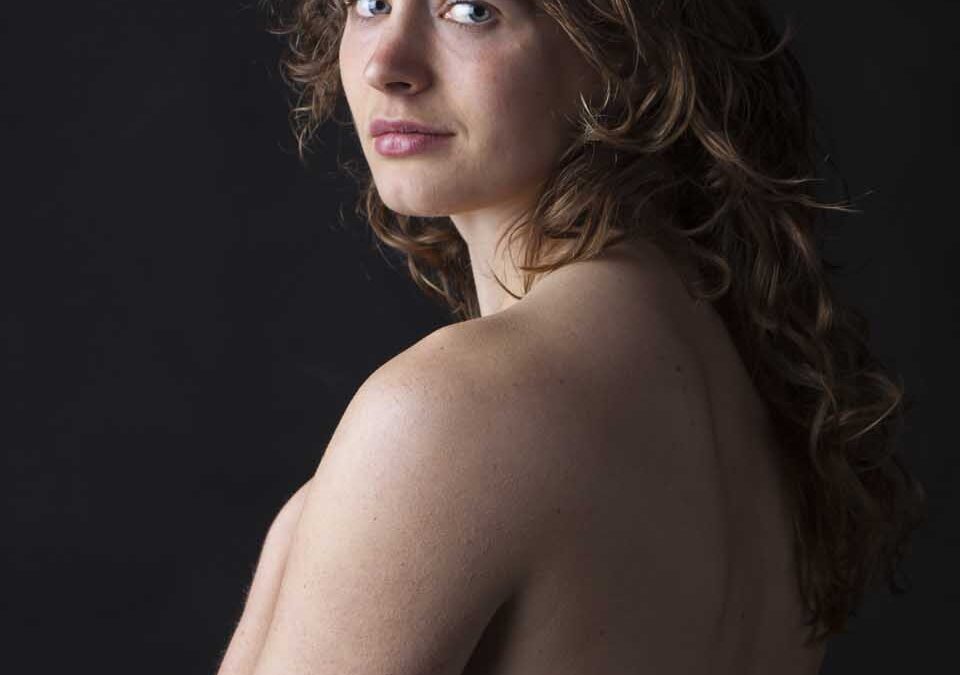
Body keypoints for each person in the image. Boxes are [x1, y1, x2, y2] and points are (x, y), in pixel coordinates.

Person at [216, 0, 927, 673]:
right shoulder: (756, 389)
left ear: (619, 45)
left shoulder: (448, 414)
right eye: (370, 4)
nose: (386, 64)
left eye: (472, 11)